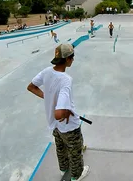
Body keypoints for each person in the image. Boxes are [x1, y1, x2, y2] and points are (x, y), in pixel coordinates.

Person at [27, 44, 90, 181]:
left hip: (54, 124)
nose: (73, 60)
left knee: (60, 147)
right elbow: (59, 113)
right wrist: (64, 110)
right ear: (67, 59)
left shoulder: (46, 71)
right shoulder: (66, 80)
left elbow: (31, 87)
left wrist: (48, 98)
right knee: (75, 152)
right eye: (72, 58)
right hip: (69, 126)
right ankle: (77, 175)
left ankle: (63, 169)